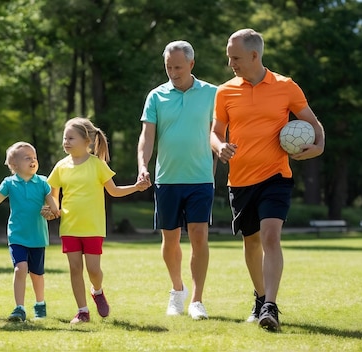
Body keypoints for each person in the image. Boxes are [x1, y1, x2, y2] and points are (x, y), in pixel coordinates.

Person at [210, 28, 325, 332]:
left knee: (270, 236)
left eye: (234, 57)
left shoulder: (286, 87)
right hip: (240, 180)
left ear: (254, 55)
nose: (230, 63)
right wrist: (219, 146)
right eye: (228, 57)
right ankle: (260, 298)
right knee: (251, 243)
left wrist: (318, 146)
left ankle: (270, 306)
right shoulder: (225, 91)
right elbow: (215, 132)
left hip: (276, 175)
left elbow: (313, 124)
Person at [137, 40, 217, 320]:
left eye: (178, 67)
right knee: (170, 239)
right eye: (169, 67)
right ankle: (177, 291)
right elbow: (147, 137)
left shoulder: (212, 94)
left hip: (200, 179)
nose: (173, 72)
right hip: (166, 179)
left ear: (192, 64)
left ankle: (197, 300)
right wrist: (142, 166)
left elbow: (216, 133)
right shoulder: (156, 96)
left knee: (198, 235)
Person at [47, 117, 150, 324]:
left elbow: (113, 191)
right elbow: (52, 192)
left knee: (93, 270)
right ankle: (82, 311)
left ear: (87, 141)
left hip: (93, 227)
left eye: (71, 138)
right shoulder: (61, 166)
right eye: (64, 138)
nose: (66, 141)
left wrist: (135, 187)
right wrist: (53, 209)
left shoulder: (97, 165)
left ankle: (97, 291)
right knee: (75, 268)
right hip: (69, 227)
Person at [0, 142, 60, 322]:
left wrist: (52, 209)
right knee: (20, 268)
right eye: (27, 158)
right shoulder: (9, 183)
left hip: (38, 237)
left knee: (37, 275)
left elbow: (53, 206)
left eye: (34, 157)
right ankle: (19, 308)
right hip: (16, 236)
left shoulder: (44, 182)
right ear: (14, 165)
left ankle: (40, 304)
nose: (33, 161)